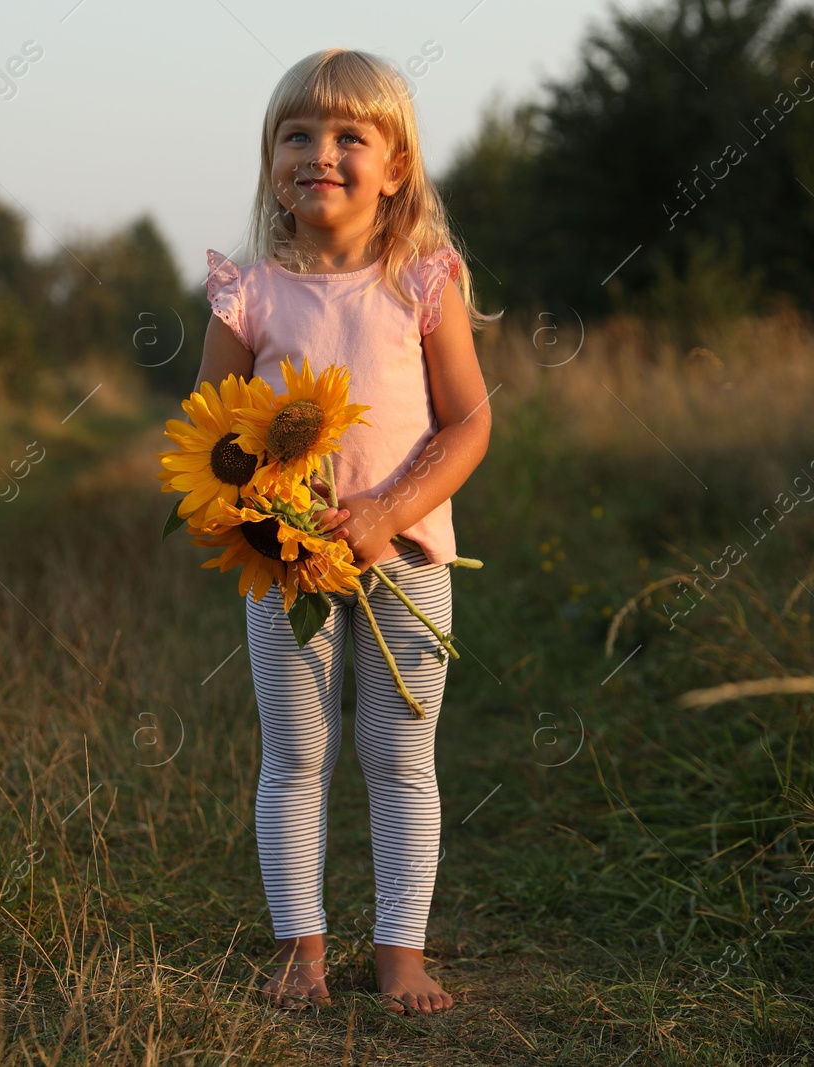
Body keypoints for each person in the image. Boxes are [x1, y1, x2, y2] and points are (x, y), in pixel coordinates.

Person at [192, 47, 499, 1017]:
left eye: (347, 136)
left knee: (400, 749)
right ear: (269, 159)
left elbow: (469, 421)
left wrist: (387, 512)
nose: (318, 153)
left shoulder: (422, 281)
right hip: (284, 565)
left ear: (396, 167)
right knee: (295, 752)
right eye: (296, 135)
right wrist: (266, 516)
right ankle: (301, 948)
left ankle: (399, 951)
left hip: (407, 556)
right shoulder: (249, 294)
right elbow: (211, 436)